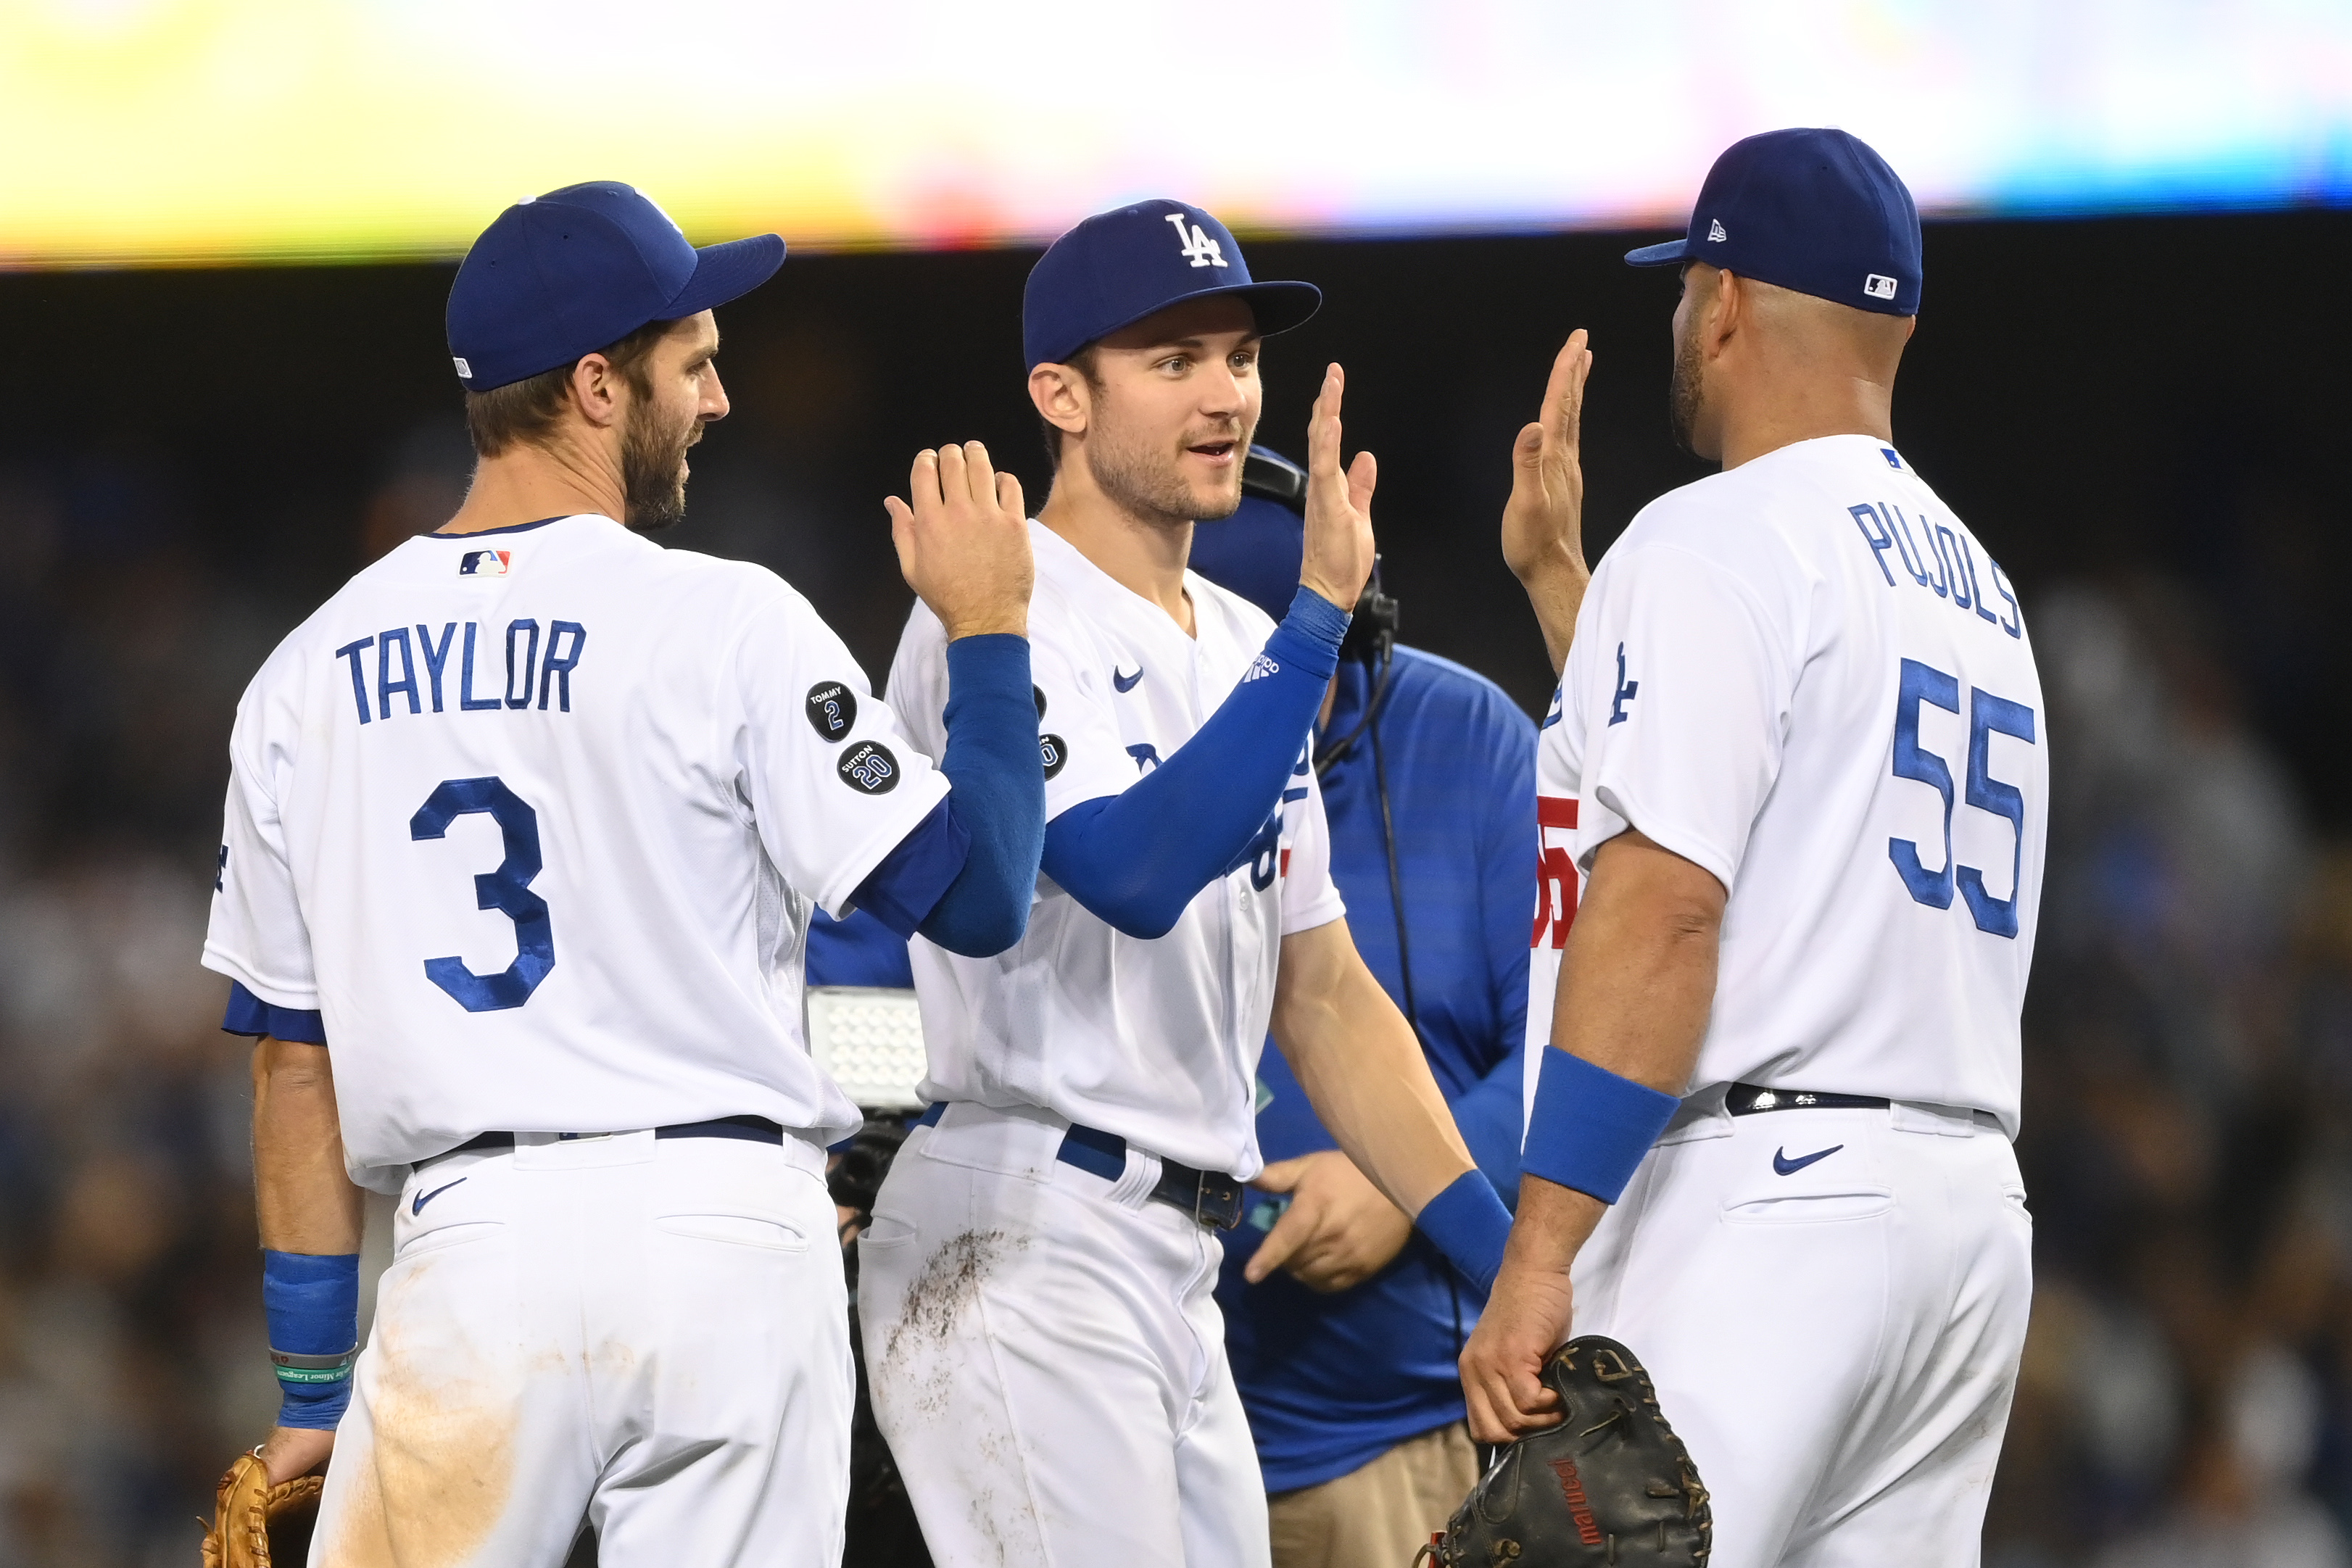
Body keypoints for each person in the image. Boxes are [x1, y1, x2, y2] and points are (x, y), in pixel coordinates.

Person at [201, 180, 1045, 1567]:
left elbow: (294, 1061)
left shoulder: (302, 676)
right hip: (720, 1244)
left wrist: (309, 1393)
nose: (718, 399)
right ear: (598, 385)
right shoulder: (725, 620)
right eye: (695, 364)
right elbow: (979, 899)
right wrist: (993, 633)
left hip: (467, 1264)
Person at [856, 199, 1517, 1568]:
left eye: (1239, 358)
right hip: (1021, 1234)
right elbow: (1131, 871)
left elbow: (1324, 996)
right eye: (1174, 362)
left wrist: (1507, 1268)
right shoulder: (995, 604)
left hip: (1174, 1261)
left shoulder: (1235, 640)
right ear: (1062, 394)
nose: (1226, 396)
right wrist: (1323, 622)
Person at [1459, 128, 2045, 1568]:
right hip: (1961, 1220)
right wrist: (1568, 599)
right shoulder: (1979, 586)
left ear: (1719, 301)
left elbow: (1660, 909)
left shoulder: (1713, 535)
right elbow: (1781, 808)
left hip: (1770, 1200)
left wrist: (1539, 1251)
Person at [1189, 451, 1539, 1568]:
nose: (1297, 701)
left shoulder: (1473, 742)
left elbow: (1590, 1046)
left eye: (1320, 657)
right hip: (1131, 1422)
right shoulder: (1105, 742)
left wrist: (1411, 1189)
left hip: (1389, 1447)